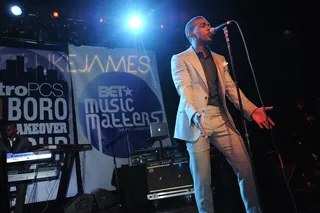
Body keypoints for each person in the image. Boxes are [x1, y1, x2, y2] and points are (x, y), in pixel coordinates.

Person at [170, 16, 275, 213]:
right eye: (203, 25)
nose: (209, 28)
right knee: (202, 179)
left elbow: (230, 88)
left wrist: (252, 110)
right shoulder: (180, 59)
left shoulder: (219, 59)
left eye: (209, 24)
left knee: (245, 169)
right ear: (192, 34)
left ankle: (254, 210)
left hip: (220, 117)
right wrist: (195, 115)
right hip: (197, 120)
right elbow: (184, 89)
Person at [0, 123, 32, 213]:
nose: (7, 131)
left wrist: (25, 168)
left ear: (15, 129)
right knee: (3, 193)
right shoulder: (2, 142)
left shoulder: (23, 140)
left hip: (20, 170)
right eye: (6, 130)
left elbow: (29, 154)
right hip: (6, 171)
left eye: (9, 129)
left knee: (21, 192)